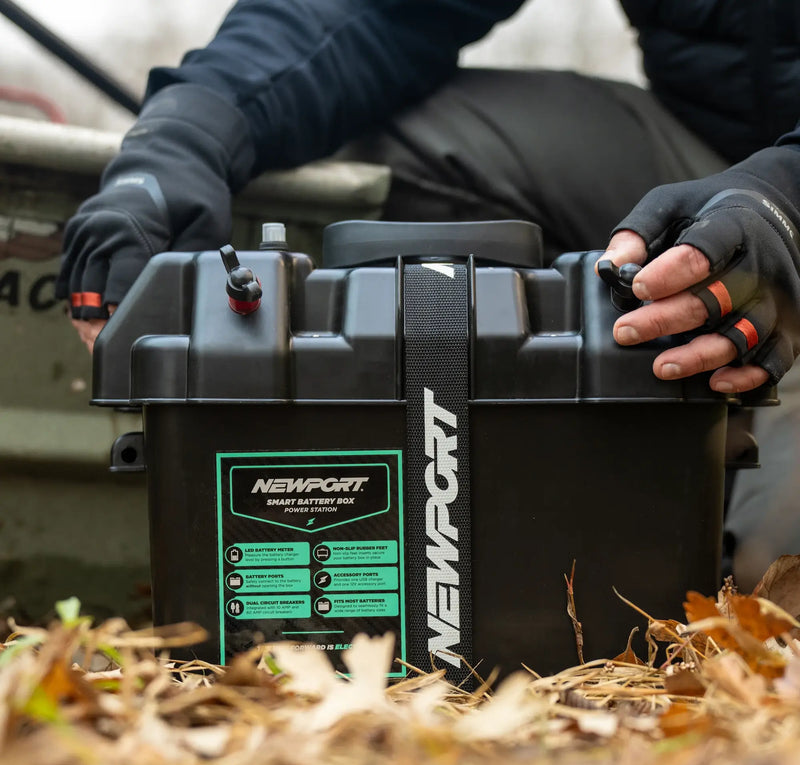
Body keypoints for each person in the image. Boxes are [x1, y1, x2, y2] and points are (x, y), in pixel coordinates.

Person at [56, 1, 800, 583]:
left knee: (774, 581)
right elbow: (367, 10)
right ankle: (524, 531)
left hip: (781, 192)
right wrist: (185, 139)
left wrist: (783, 202)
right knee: (398, 140)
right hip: (704, 158)